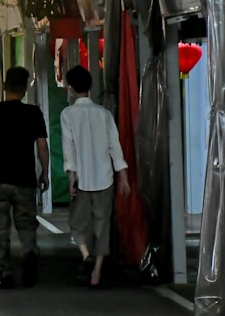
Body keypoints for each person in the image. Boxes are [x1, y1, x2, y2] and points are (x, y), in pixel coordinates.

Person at [0, 66, 49, 290]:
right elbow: (42, 146)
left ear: (4, 87)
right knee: (26, 225)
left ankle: (5, 270)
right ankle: (29, 253)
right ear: (25, 89)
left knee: (1, 227)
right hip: (24, 177)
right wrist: (44, 173)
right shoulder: (33, 113)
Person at [61, 65, 130, 288]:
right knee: (102, 226)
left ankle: (85, 255)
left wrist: (72, 176)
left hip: (81, 179)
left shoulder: (67, 114)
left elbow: (68, 148)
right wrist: (124, 177)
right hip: (105, 178)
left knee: (78, 224)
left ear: (70, 89)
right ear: (90, 87)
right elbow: (115, 147)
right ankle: (97, 271)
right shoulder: (104, 114)